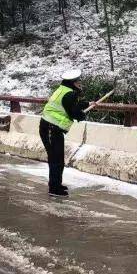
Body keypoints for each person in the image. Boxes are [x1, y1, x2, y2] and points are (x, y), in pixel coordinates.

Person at [39, 69, 88, 197]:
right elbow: (73, 112)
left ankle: (56, 185)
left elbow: (70, 105)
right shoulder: (69, 94)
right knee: (55, 159)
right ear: (73, 82)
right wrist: (81, 115)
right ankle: (54, 189)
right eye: (78, 81)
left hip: (51, 128)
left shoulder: (63, 90)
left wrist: (86, 104)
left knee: (58, 158)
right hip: (51, 128)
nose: (80, 83)